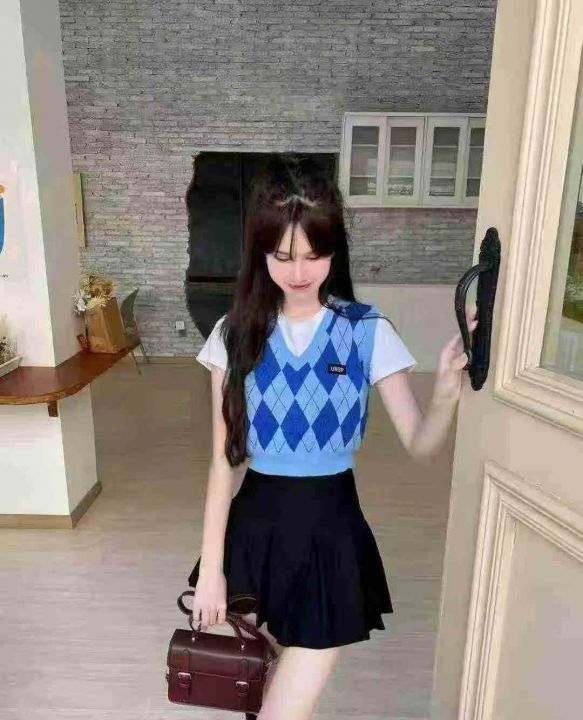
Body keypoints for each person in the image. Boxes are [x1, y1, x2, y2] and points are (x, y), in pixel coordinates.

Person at [187, 157, 478, 720]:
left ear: (333, 250)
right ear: (260, 252)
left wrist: (446, 389)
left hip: (330, 531)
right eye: (283, 256)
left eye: (314, 254)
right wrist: (212, 570)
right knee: (270, 693)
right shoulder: (233, 333)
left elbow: (421, 444)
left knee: (281, 709)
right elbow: (224, 462)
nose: (300, 271)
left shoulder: (366, 330)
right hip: (256, 530)